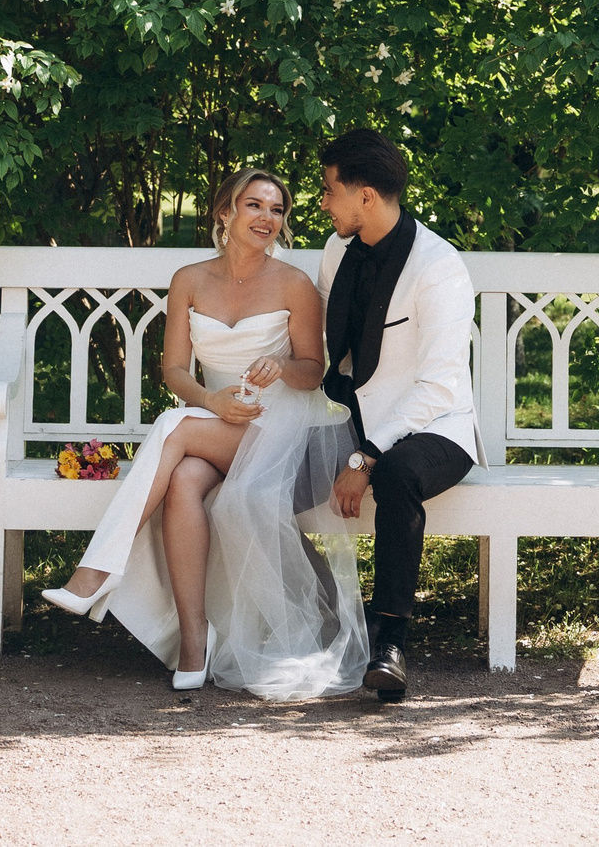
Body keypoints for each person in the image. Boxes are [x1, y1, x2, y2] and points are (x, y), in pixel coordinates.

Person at [38, 168, 368, 699]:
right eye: (254, 205)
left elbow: (314, 370)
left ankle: (94, 573)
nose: (266, 217)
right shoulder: (190, 279)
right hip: (217, 424)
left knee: (173, 426)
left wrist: (280, 367)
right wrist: (211, 400)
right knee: (186, 479)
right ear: (225, 212)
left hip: (286, 433)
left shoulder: (293, 284)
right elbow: (174, 372)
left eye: (277, 209)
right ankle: (194, 643)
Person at [316, 127, 479, 703]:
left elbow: (439, 385)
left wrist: (365, 455)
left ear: (365, 195)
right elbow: (326, 342)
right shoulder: (337, 250)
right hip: (355, 420)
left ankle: (390, 642)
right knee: (262, 473)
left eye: (330, 190)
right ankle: (296, 622)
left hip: (438, 430)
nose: (322, 202)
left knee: (396, 475)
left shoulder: (439, 266)